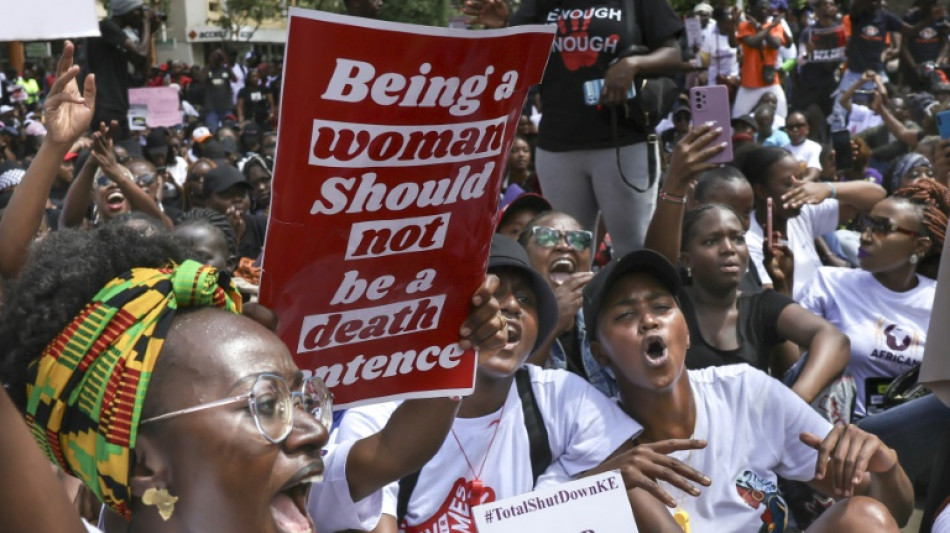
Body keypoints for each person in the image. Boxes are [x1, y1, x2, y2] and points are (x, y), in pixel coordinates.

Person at [318, 235, 706, 533]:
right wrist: (586, 490)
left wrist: (596, 488)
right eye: (490, 295)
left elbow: (630, 487)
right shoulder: (378, 414)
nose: (510, 307)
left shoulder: (562, 397)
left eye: (525, 298)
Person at [583, 248, 915, 532]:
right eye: (626, 314)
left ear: (685, 333)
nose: (649, 321)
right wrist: (597, 485)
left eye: (661, 307)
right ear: (601, 354)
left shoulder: (746, 391)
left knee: (863, 516)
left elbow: (892, 512)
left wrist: (887, 466)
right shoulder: (594, 441)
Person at [644, 126, 849, 405]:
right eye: (711, 241)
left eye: (738, 238)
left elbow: (831, 341)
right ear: (686, 260)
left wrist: (795, 404)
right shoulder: (672, 308)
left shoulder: (760, 304)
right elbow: (654, 264)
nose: (728, 249)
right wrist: (675, 181)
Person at [464, 0, 684, 257]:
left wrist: (634, 64)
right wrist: (504, 26)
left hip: (621, 142)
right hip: (558, 146)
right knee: (566, 252)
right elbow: (516, 56)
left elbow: (673, 54)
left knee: (633, 251)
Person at [799, 178, 948, 418]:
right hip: (833, 437)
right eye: (866, 223)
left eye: (882, 227)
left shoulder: (941, 303)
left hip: (914, 444)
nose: (865, 236)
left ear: (920, 245)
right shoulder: (828, 283)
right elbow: (794, 364)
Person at [740, 145, 886, 299]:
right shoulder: (751, 241)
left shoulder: (804, 213)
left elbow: (878, 197)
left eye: (801, 178)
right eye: (788, 184)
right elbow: (775, 306)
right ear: (761, 191)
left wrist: (828, 188)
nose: (800, 188)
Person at [84, 0, 160, 139]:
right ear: (127, 11)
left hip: (122, 106)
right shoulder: (106, 26)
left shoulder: (122, 36)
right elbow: (140, 53)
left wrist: (148, 31)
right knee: (114, 151)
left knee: (130, 150)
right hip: (106, 107)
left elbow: (144, 66)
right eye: (139, 10)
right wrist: (146, 23)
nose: (141, 15)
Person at [734, 0, 791, 118]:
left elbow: (775, 43)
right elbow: (751, 42)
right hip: (749, 83)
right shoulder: (744, 26)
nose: (765, 9)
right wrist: (767, 27)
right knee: (738, 118)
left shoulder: (776, 27)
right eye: (761, 6)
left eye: (766, 7)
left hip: (770, 81)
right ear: (752, 8)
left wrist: (761, 28)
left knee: (781, 117)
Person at [785, 111, 823, 182]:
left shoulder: (814, 147)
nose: (795, 129)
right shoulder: (783, 150)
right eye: (790, 127)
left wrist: (799, 184)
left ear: (807, 128)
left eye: (799, 126)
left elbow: (813, 175)